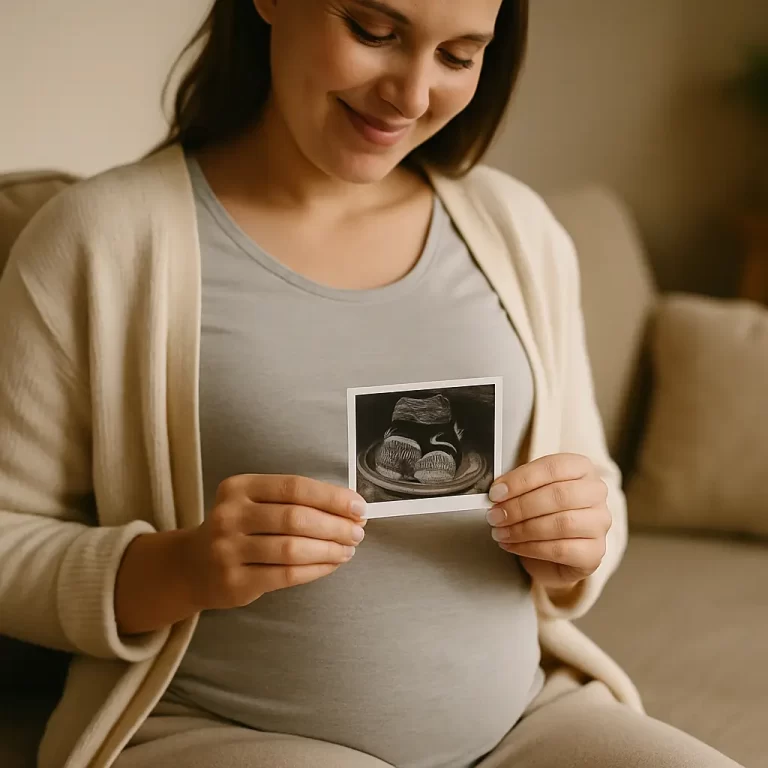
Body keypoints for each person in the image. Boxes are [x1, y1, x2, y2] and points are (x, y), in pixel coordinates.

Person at [0, 1, 743, 767]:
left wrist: (582, 536)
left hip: (529, 720)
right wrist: (180, 566)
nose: (412, 96)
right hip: (220, 733)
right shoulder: (97, 240)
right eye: (375, 33)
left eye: (458, 56)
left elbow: (597, 489)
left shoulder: (519, 230)